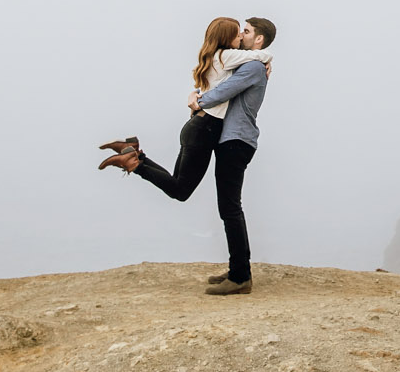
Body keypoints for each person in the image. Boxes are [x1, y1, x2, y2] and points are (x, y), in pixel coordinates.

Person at [99, 16, 277, 295]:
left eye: (247, 31)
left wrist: (198, 100)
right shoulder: (246, 61)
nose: (241, 34)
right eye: (240, 30)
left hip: (236, 140)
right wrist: (197, 96)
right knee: (220, 204)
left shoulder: (253, 65)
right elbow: (217, 84)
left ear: (259, 40)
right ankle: (237, 270)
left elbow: (223, 91)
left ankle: (240, 275)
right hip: (221, 136)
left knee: (228, 207)